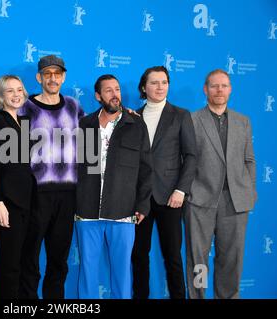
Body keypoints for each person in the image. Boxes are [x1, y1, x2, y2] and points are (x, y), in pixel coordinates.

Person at [0, 55, 84, 298]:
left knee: (58, 259)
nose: (52, 78)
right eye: (47, 73)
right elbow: (0, 147)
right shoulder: (24, 109)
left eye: (57, 73)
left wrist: (121, 113)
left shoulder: (74, 107)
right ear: (38, 78)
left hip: (66, 195)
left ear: (63, 77)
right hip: (34, 196)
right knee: (27, 260)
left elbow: (93, 133)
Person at [75, 74, 152, 299]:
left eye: (117, 89)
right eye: (108, 90)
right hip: (88, 212)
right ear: (98, 96)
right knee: (87, 271)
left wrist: (142, 205)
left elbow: (146, 168)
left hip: (124, 212)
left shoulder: (136, 123)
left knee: (122, 274)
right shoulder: (84, 124)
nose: (114, 94)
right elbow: (74, 165)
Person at [185, 69, 257, 299]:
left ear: (230, 89)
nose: (219, 90)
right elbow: (185, 159)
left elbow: (249, 160)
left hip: (236, 202)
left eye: (224, 86)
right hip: (200, 200)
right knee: (199, 259)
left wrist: (250, 191)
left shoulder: (243, 122)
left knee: (231, 258)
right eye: (214, 86)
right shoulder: (192, 120)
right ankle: (198, 296)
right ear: (205, 89)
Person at [131, 66, 197, 299]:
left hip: (171, 197)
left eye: (164, 82)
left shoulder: (181, 115)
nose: (160, 87)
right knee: (138, 255)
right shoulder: (133, 117)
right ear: (143, 87)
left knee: (173, 256)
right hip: (140, 199)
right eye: (154, 82)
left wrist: (181, 190)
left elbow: (191, 155)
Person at [0, 75, 36, 299]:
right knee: (8, 264)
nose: (15, 95)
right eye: (9, 91)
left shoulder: (25, 122)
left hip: (28, 201)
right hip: (7, 202)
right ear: (1, 96)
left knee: (22, 262)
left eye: (19, 90)